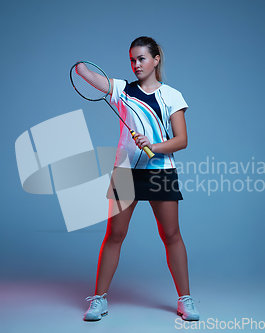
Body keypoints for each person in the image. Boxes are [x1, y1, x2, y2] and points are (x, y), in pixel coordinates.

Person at [79, 36, 199, 322]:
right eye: (132, 60)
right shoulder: (121, 90)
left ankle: (185, 299)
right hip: (126, 172)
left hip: (161, 172)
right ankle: (99, 300)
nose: (135, 65)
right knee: (114, 236)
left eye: (141, 59)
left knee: (171, 235)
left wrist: (153, 146)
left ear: (156, 59)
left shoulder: (172, 96)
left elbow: (181, 141)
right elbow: (86, 74)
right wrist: (79, 65)